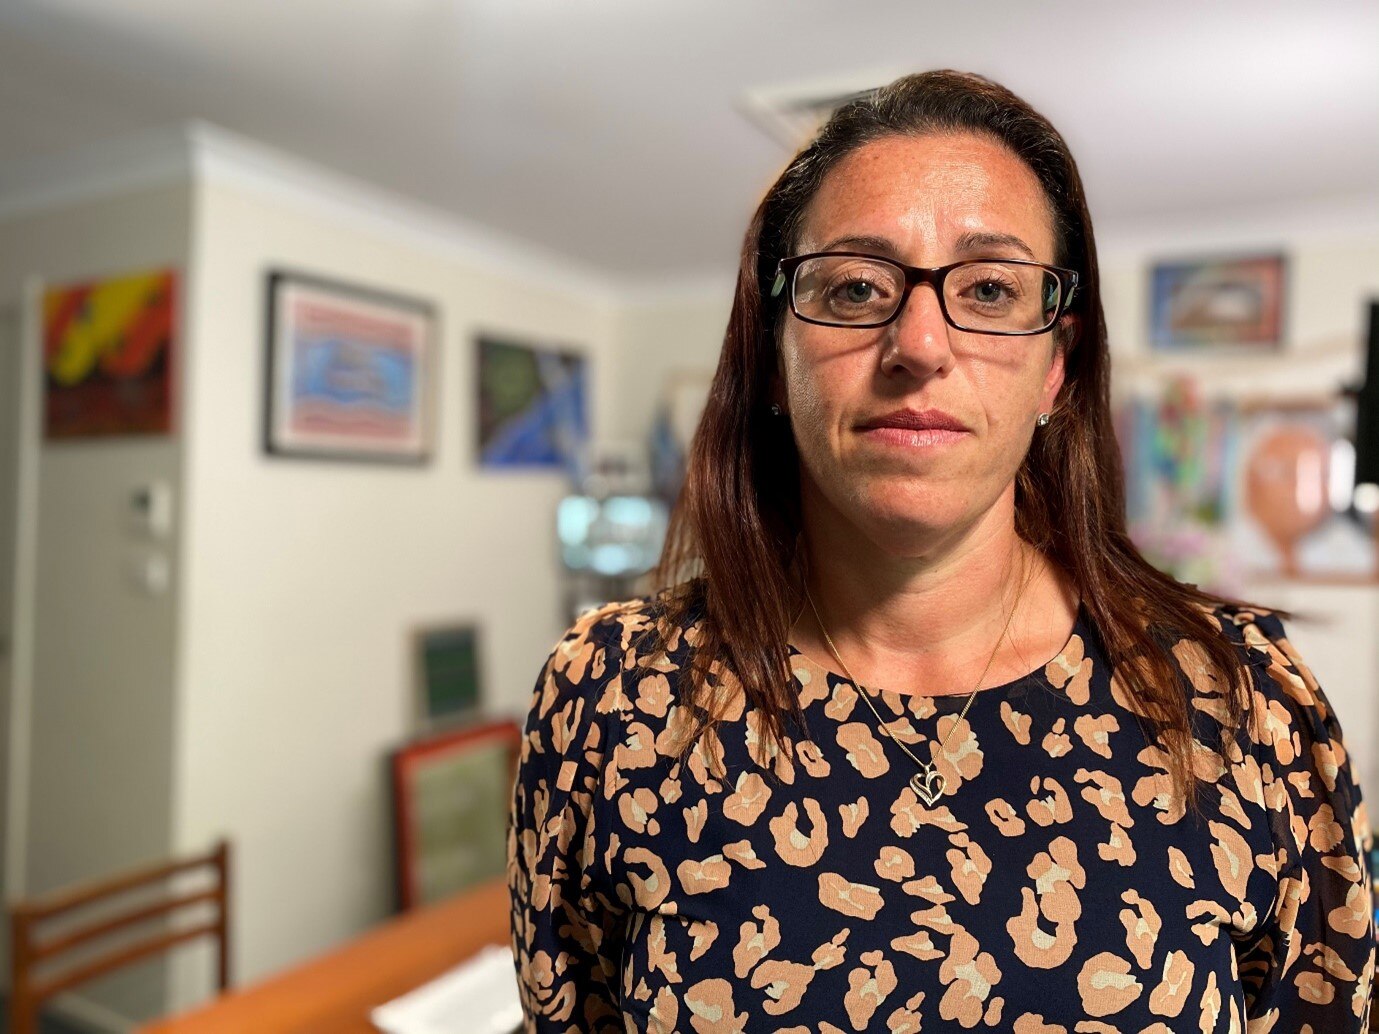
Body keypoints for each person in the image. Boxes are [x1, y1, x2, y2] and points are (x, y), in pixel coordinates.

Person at [506, 70, 1376, 1031]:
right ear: (773, 357)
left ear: (1054, 369)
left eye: (991, 289)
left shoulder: (1240, 701)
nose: (918, 344)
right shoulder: (610, 697)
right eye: (854, 287)